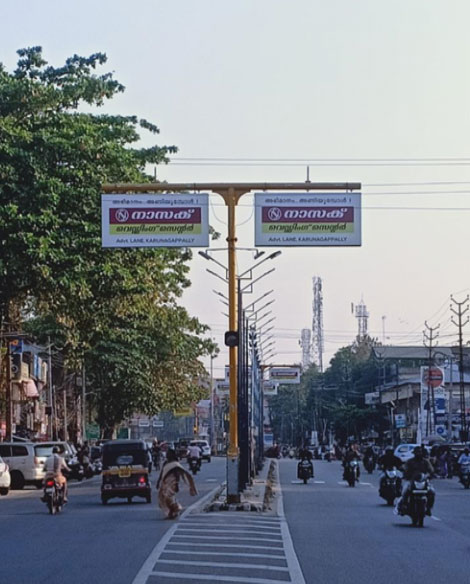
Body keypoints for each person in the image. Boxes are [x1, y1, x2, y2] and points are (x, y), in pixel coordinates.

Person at [156, 449, 197, 519]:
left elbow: (178, 474)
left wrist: (177, 484)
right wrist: (158, 481)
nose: (166, 455)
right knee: (164, 497)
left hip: (172, 483)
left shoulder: (175, 464)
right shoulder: (166, 463)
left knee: (167, 496)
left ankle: (177, 507)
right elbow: (162, 472)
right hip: (165, 483)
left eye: (168, 453)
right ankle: (171, 512)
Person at [398, 446, 435, 516]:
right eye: (417, 452)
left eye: (420, 452)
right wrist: (403, 469)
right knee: (404, 492)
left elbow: (431, 470)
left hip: (423, 481)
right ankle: (404, 506)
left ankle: (429, 508)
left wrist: (430, 474)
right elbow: (404, 467)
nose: (418, 454)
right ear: (414, 453)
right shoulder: (410, 461)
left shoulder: (426, 462)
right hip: (411, 480)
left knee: (432, 492)